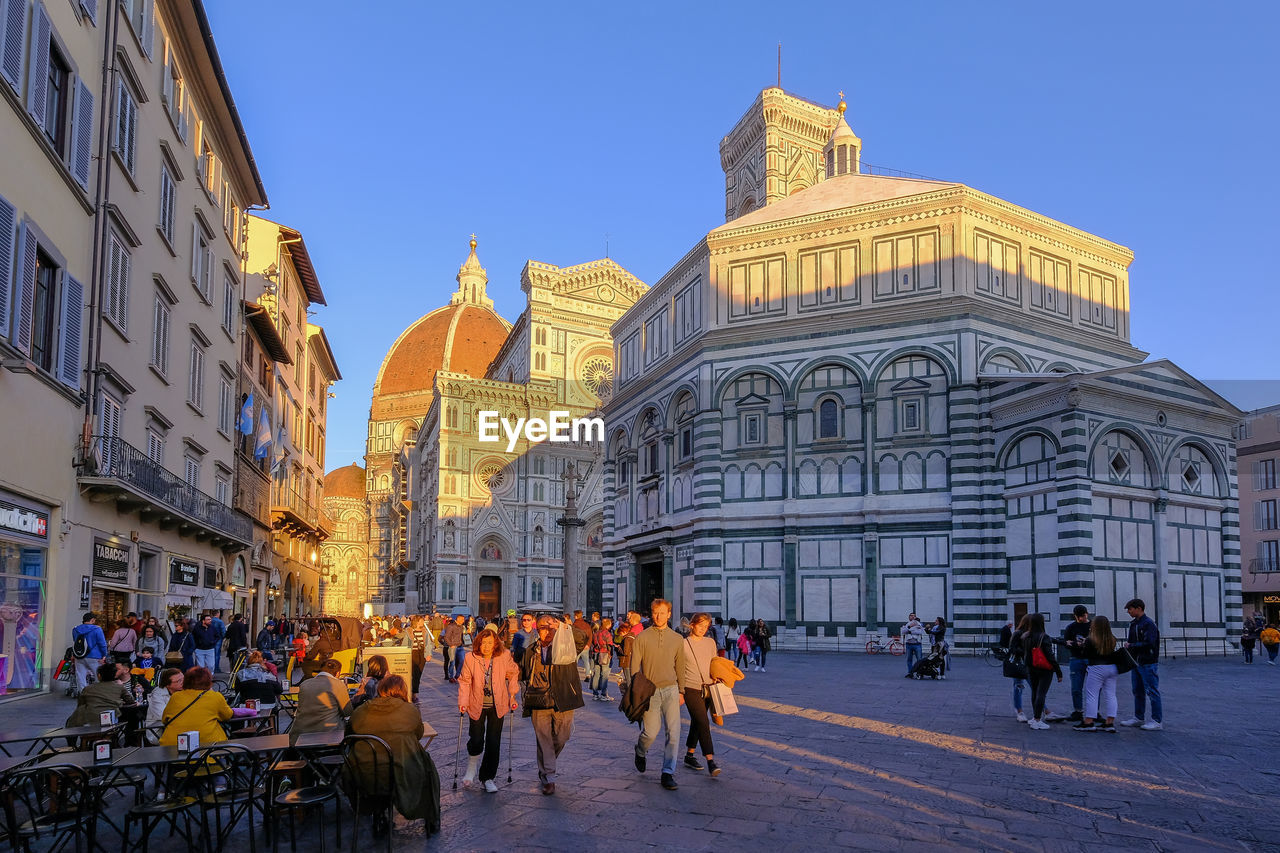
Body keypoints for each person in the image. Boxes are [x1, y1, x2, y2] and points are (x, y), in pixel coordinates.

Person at [347, 674, 440, 835]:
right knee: (427, 766)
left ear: (381, 690)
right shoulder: (409, 710)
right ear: (403, 691)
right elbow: (418, 734)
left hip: (364, 775)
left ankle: (378, 811)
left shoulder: (361, 711)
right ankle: (430, 815)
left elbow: (348, 735)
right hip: (401, 773)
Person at [519, 615, 587, 795]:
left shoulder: (567, 646)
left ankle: (548, 763)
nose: (547, 631)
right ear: (537, 630)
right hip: (538, 699)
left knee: (562, 736)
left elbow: (583, 638)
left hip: (563, 698)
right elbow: (523, 673)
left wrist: (564, 626)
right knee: (544, 739)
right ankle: (549, 776)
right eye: (543, 627)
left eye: (551, 628)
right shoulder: (531, 651)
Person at [631, 599, 687, 791]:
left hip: (671, 689)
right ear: (651, 613)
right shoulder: (642, 637)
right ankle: (640, 750)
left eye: (662, 613)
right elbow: (634, 667)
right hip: (650, 691)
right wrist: (635, 691)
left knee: (674, 732)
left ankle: (667, 772)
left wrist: (682, 690)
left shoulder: (678, 639)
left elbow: (680, 665)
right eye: (655, 612)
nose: (658, 616)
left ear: (669, 614)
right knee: (650, 732)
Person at [458, 626, 520, 793]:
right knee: (477, 739)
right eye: (483, 643)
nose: (486, 646)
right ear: (479, 643)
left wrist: (512, 694)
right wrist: (463, 701)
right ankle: (471, 768)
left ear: (495, 644)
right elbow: (464, 681)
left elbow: (513, 673)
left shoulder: (504, 655)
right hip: (476, 703)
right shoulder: (470, 657)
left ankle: (488, 777)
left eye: (490, 643)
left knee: (494, 742)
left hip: (498, 704)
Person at [1073, 615, 1132, 733]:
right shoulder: (1112, 638)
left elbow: (1086, 654)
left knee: (1092, 695)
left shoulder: (1091, 639)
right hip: (1112, 668)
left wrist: (1082, 645)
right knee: (1111, 694)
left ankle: (1089, 722)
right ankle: (1109, 722)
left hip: (1096, 668)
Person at [681, 613, 722, 777]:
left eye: (706, 627)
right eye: (700, 626)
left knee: (697, 722)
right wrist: (680, 691)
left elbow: (715, 662)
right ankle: (710, 760)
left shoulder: (710, 642)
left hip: (709, 687)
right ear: (692, 625)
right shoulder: (683, 643)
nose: (703, 630)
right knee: (703, 722)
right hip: (690, 688)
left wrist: (719, 677)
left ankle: (689, 755)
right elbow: (678, 667)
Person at [158, 666, 232, 747]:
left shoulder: (176, 696)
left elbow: (165, 719)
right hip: (208, 748)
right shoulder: (215, 696)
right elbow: (227, 715)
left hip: (172, 746)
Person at [1119, 599, 1163, 731]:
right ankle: (1139, 718)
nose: (1128, 611)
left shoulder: (1148, 624)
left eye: (1130, 609)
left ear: (1139, 608)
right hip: (1136, 662)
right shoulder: (1134, 624)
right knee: (1137, 691)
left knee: (1152, 691)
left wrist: (1131, 646)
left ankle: (1157, 721)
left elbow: (1150, 643)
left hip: (1148, 662)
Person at [290, 658, 352, 742]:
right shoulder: (338, 684)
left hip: (300, 734)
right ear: (337, 673)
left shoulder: (305, 684)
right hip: (328, 734)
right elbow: (347, 712)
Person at [1020, 613, 1063, 730]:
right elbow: (1050, 656)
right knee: (1041, 693)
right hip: (1044, 669)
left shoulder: (1025, 636)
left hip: (1030, 668)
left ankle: (1034, 718)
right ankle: (1037, 720)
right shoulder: (1044, 637)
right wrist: (1058, 672)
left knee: (1035, 692)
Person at [65, 661, 136, 727]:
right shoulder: (119, 687)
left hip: (90, 719)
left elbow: (81, 704)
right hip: (111, 718)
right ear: (114, 674)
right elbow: (131, 700)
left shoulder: (88, 689)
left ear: (99, 676)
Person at [1054, 605, 1092, 722]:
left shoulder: (1093, 626)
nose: (1081, 619)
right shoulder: (1071, 627)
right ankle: (1078, 711)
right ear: (1075, 616)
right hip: (1076, 659)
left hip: (1091, 659)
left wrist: (1086, 642)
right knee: (1076, 688)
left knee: (1093, 689)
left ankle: (1094, 712)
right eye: (1079, 616)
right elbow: (1066, 642)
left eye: (1083, 616)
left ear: (1087, 614)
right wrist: (1074, 644)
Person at [71, 613, 107, 693]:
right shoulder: (97, 629)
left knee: (80, 676)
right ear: (92, 620)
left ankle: (83, 694)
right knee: (98, 676)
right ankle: (98, 694)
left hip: (79, 655)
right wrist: (104, 655)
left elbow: (75, 642)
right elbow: (102, 644)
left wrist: (73, 654)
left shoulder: (75, 629)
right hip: (95, 656)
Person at [1001, 617, 1029, 721]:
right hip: (1019, 664)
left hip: (1029, 665)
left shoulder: (1032, 634)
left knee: (1035, 688)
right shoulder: (1018, 633)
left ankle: (1045, 711)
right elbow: (1012, 647)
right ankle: (1019, 711)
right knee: (1019, 686)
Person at [145, 668, 183, 744]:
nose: (183, 682)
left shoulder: (184, 691)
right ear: (168, 684)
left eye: (183, 679)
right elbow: (162, 715)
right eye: (179, 681)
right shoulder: (157, 694)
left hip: (179, 727)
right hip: (159, 731)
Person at [590, 617, 615, 701]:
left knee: (596, 675)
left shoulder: (596, 633)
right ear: (608, 625)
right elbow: (609, 645)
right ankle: (604, 694)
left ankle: (595, 694)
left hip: (596, 654)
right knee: (605, 675)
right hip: (604, 655)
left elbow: (593, 644)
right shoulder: (607, 633)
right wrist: (611, 655)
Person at [618, 611, 641, 696]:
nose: (628, 619)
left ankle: (631, 695)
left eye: (630, 618)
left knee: (629, 679)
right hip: (634, 658)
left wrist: (619, 648)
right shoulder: (639, 628)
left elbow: (626, 651)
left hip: (628, 660)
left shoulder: (634, 631)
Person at [441, 614, 465, 683]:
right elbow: (446, 637)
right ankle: (451, 676)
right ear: (458, 619)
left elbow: (461, 636)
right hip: (453, 647)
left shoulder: (461, 627)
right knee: (452, 662)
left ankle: (457, 675)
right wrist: (451, 645)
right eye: (462, 619)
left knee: (462, 661)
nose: (463, 621)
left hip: (460, 646)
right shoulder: (451, 626)